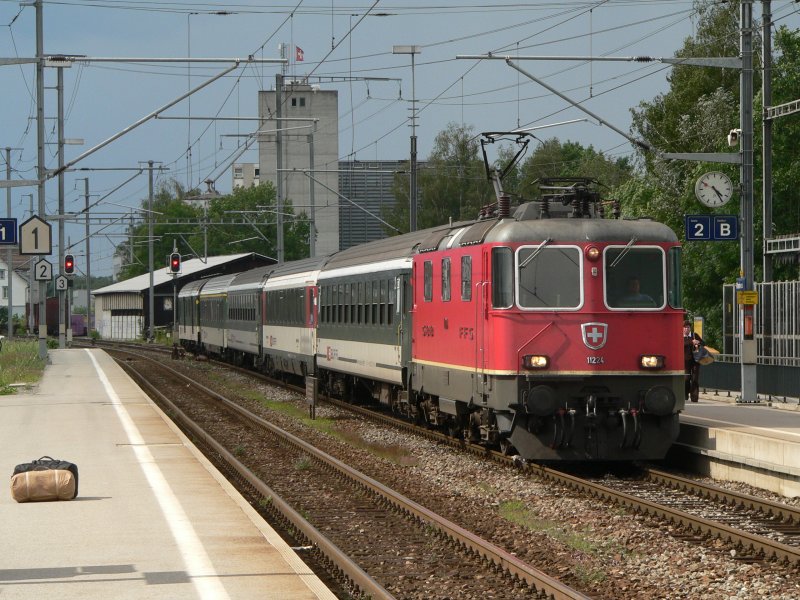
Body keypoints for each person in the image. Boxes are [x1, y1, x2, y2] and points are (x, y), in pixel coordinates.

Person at [683, 320, 704, 402]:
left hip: (695, 360)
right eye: (685, 327)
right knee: (686, 379)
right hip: (685, 361)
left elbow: (703, 343)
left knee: (695, 379)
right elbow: (681, 345)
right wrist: (691, 342)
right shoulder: (680, 336)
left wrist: (698, 342)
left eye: (688, 327)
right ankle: (685, 394)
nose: (686, 329)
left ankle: (694, 397)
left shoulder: (694, 335)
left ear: (690, 328)